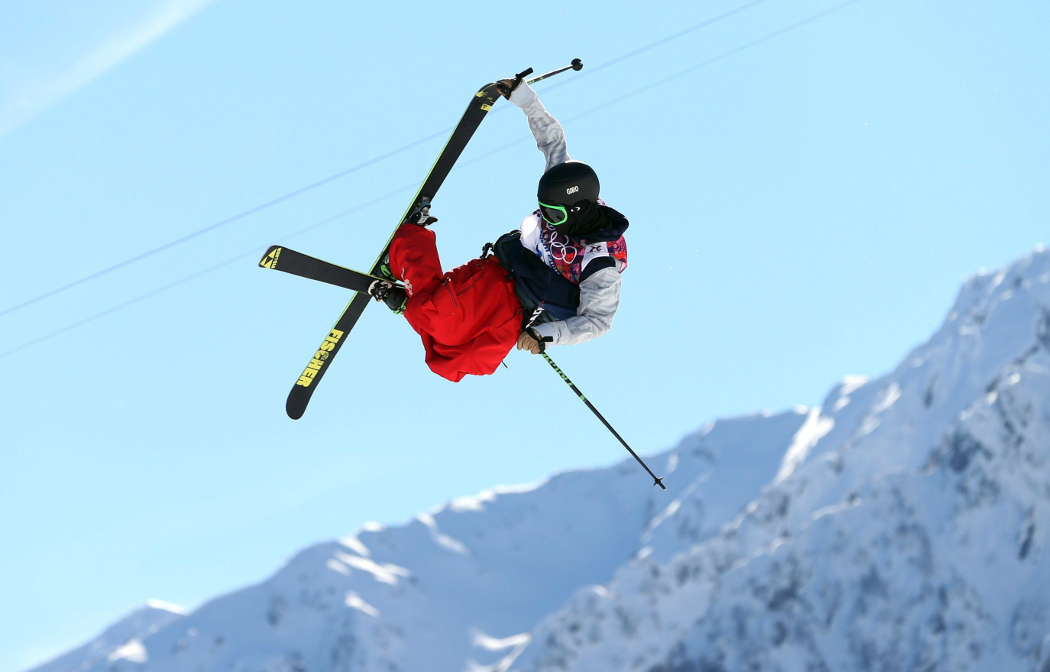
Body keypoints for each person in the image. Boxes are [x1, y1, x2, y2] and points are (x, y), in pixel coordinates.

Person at [368, 76, 629, 382]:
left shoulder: (599, 264)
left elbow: (598, 321)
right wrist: (524, 97)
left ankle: (412, 302)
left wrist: (545, 336)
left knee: (463, 360)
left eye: (552, 214)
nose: (545, 216)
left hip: (523, 312)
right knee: (437, 319)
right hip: (501, 277)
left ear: (577, 210)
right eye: (542, 207)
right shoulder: (565, 180)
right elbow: (552, 141)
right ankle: (408, 245)